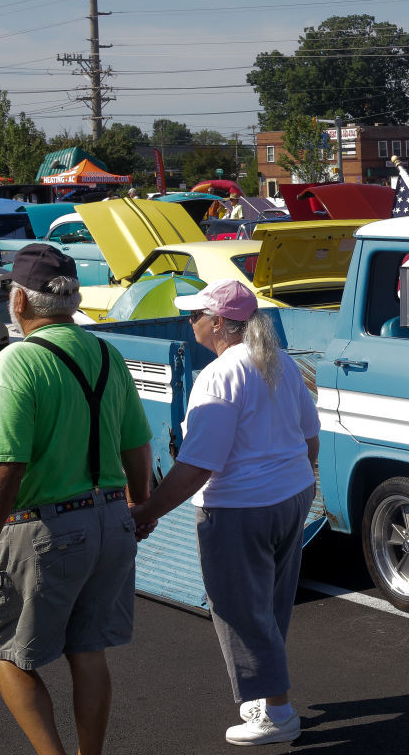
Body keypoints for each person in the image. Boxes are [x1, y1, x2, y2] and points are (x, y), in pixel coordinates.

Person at [0, 244, 153, 755]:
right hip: (111, 520)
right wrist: (141, 506)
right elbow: (137, 443)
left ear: (20, 303)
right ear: (71, 299)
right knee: (88, 650)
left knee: (5, 651)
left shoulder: (18, 360)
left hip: (47, 528)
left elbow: (5, 463)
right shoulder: (108, 354)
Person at [130, 279, 319, 746]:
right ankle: (269, 696)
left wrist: (148, 510)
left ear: (218, 323)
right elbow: (310, 437)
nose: (189, 321)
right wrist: (294, 481)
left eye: (194, 314)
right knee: (270, 603)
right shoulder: (279, 364)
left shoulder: (218, 375)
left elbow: (198, 463)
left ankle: (278, 712)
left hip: (240, 508)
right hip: (291, 495)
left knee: (239, 610)